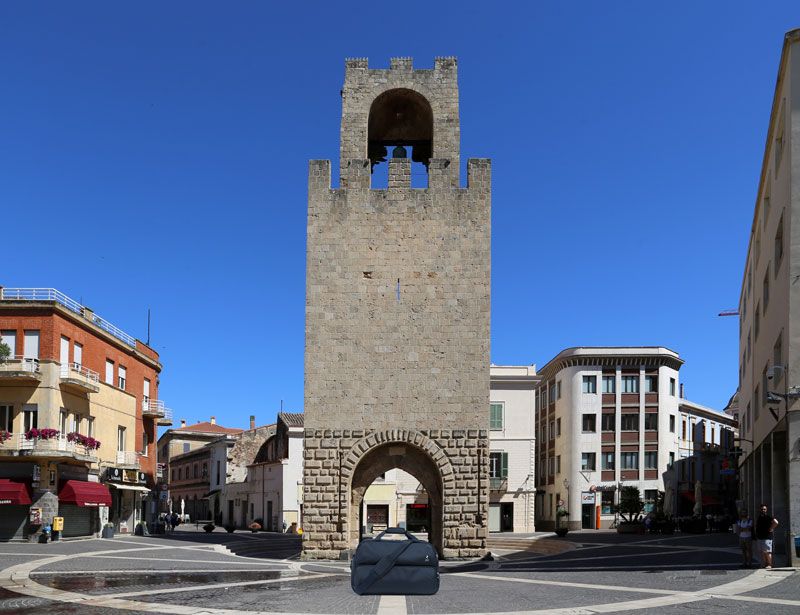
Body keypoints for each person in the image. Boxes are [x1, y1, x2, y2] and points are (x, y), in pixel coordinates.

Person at [755, 504, 778, 569]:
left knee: (767, 552)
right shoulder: (759, 517)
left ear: (766, 510)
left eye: (764, 509)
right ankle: (764, 564)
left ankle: (769, 564)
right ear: (760, 510)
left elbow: (776, 522)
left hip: (767, 537)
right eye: (762, 509)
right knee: (763, 552)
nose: (763, 510)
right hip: (760, 537)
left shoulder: (768, 516)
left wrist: (771, 528)